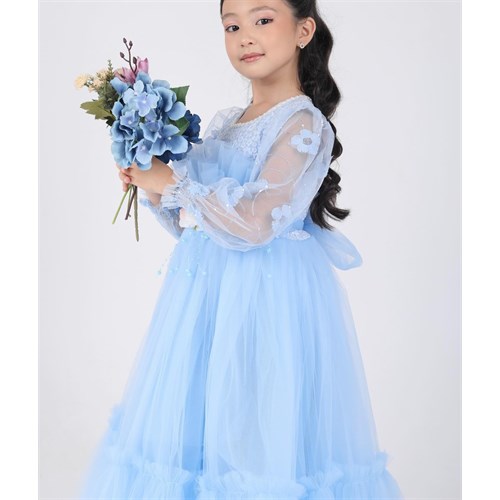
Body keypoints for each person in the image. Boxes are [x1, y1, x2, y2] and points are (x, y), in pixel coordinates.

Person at [78, 0, 404, 498]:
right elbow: (197, 226)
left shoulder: (302, 123)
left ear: (304, 31)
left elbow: (254, 222)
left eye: (263, 19)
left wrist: (175, 185)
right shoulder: (226, 122)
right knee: (205, 422)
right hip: (206, 301)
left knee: (255, 428)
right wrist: (152, 184)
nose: (245, 36)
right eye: (232, 26)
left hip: (267, 301)